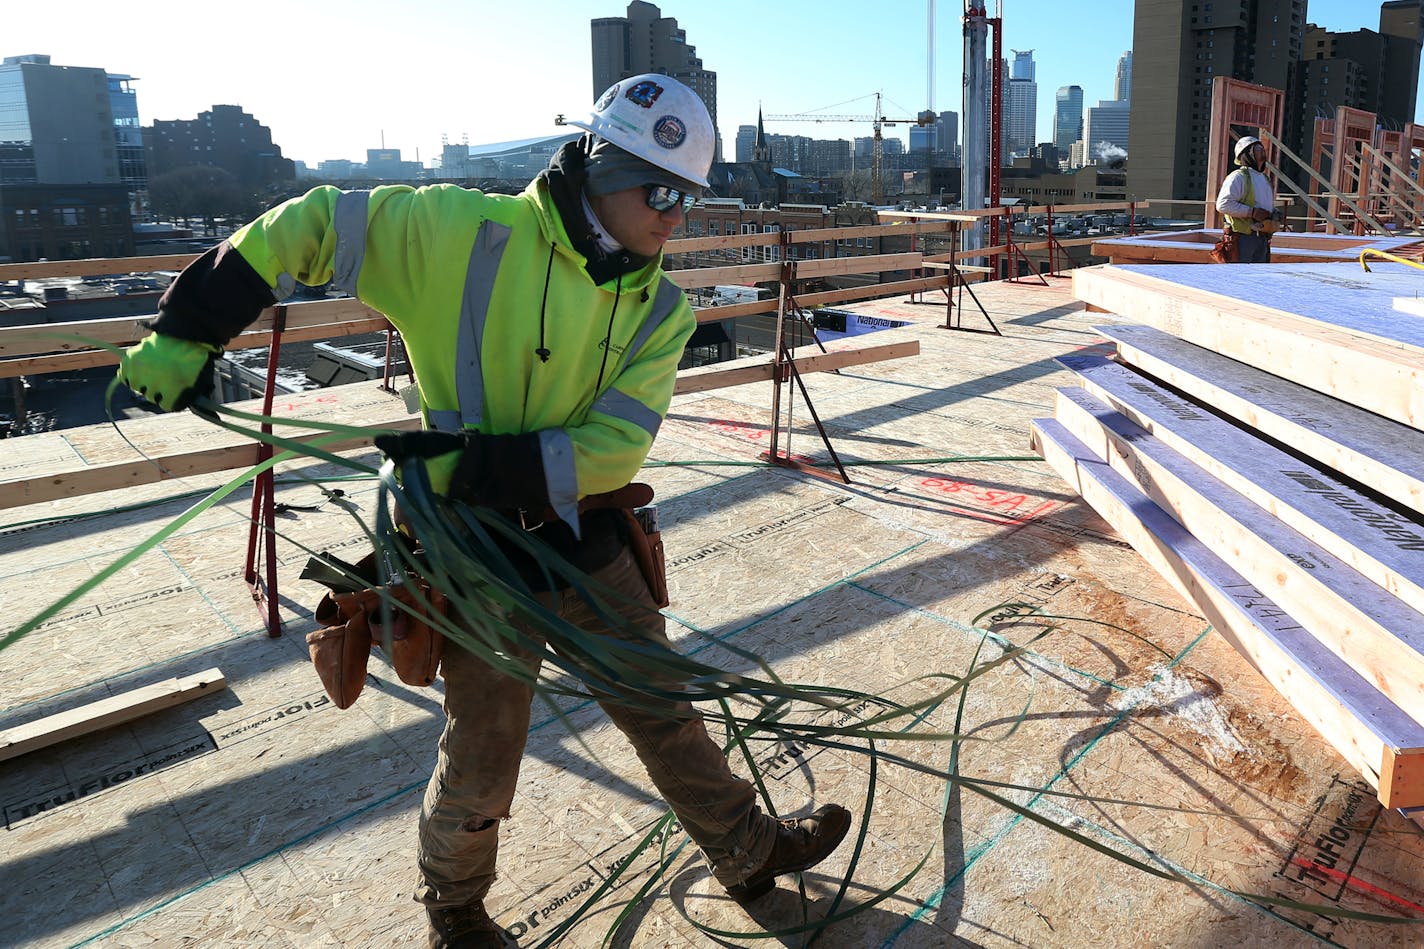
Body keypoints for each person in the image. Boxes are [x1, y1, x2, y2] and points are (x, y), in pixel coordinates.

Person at [115, 73, 851, 949]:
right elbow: (312, 224)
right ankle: (455, 911)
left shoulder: (660, 305)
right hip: (474, 557)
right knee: (485, 750)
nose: (673, 216)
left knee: (663, 703)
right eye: (659, 191)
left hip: (583, 532)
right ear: (601, 164)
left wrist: (469, 465)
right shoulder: (465, 237)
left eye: (687, 197)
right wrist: (191, 327)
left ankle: (748, 850)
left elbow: (616, 444)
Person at [1214, 135, 1280, 263]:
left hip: (1262, 237)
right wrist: (1252, 212)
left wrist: (1274, 214)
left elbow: (1263, 204)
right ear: (1248, 154)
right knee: (1240, 278)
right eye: (1258, 149)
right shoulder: (1238, 177)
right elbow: (1223, 205)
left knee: (1257, 279)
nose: (1263, 151)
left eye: (1262, 149)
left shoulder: (1265, 179)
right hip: (1243, 238)